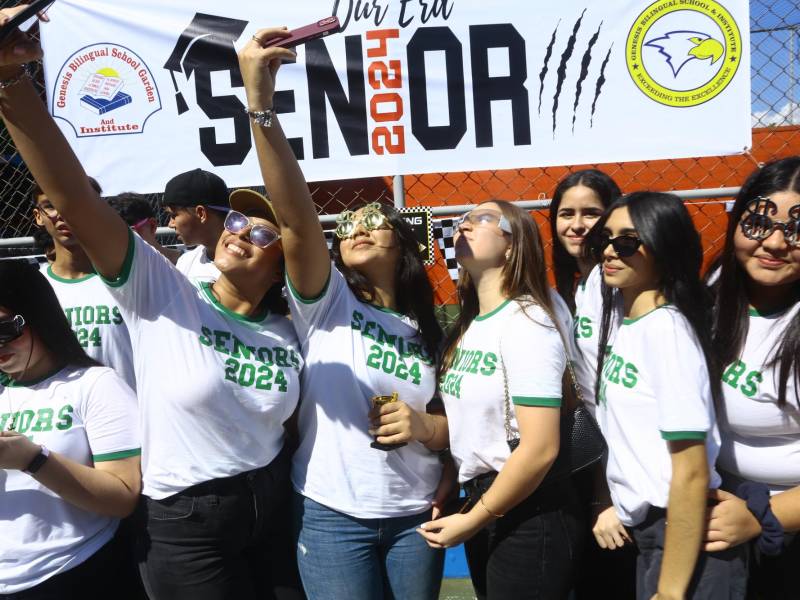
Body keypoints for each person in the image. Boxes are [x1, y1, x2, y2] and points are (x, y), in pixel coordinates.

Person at [0, 17, 303, 599]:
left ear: (283, 268)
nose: (238, 233)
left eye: (262, 234)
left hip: (270, 506)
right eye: (236, 220)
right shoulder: (164, 295)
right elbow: (73, 197)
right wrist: (12, 80)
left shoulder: (287, 332)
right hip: (187, 524)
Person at [238, 30, 449, 600]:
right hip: (333, 512)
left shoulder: (434, 329)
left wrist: (429, 428)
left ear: (406, 250)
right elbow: (297, 221)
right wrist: (260, 105)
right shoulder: (327, 301)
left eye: (374, 222)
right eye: (348, 224)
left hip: (415, 515)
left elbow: (462, 422)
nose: (356, 227)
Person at [420, 199, 585, 600]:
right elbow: (472, 427)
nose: (464, 226)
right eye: (462, 219)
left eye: (482, 219)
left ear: (513, 244)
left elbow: (541, 448)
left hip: (530, 510)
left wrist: (474, 519)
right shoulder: (469, 326)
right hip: (486, 500)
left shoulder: (528, 322)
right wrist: (450, 482)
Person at [589, 192, 747, 599]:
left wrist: (672, 590)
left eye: (627, 241)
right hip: (654, 533)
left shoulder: (668, 333)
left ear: (662, 247)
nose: (609, 250)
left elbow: (691, 470)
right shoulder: (629, 326)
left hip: (684, 536)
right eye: (605, 239)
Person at [0, 260, 141, 598]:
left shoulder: (94, 385)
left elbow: (123, 497)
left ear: (37, 315)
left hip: (73, 570)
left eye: (5, 330)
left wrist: (33, 460)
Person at [705, 157, 800, 599]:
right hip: (720, 502)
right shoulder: (715, 286)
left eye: (797, 228)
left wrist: (762, 515)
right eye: (760, 222)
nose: (776, 243)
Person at [549, 170, 635, 598]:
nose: (577, 224)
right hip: (593, 466)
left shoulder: (617, 285)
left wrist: (604, 498)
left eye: (591, 213)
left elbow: (614, 402)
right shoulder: (579, 286)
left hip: (619, 479)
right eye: (566, 213)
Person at [31, 180, 136, 391]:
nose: (62, 213)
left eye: (73, 202)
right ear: (38, 216)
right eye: (51, 205)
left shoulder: (130, 279)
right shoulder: (32, 289)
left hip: (130, 412)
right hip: (64, 415)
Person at [165, 168, 229, 286]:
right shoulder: (186, 262)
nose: (170, 224)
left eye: (174, 215)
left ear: (201, 213)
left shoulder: (250, 261)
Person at [107, 192, 182, 264]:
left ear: (152, 226)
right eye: (113, 235)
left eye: (130, 232)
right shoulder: (110, 273)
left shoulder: (187, 267)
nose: (121, 242)